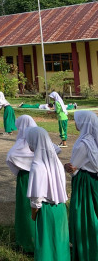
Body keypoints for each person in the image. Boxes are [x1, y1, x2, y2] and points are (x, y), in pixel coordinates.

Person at [25, 126, 70, 261]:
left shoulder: (37, 166)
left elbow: (37, 198)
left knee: (47, 245)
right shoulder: (55, 162)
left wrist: (33, 214)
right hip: (60, 208)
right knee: (60, 243)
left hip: (46, 210)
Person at [64, 111, 98, 261]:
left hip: (84, 183)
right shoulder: (94, 140)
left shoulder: (83, 143)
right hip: (94, 181)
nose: (75, 123)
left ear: (83, 122)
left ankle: (87, 253)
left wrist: (68, 167)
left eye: (77, 120)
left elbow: (73, 167)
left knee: (84, 217)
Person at [6, 115, 38, 253]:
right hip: (41, 176)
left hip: (26, 178)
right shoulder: (40, 139)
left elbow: (10, 157)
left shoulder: (21, 144)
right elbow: (55, 149)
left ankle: (26, 242)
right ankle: (38, 240)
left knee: (26, 209)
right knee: (39, 208)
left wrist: (20, 169)